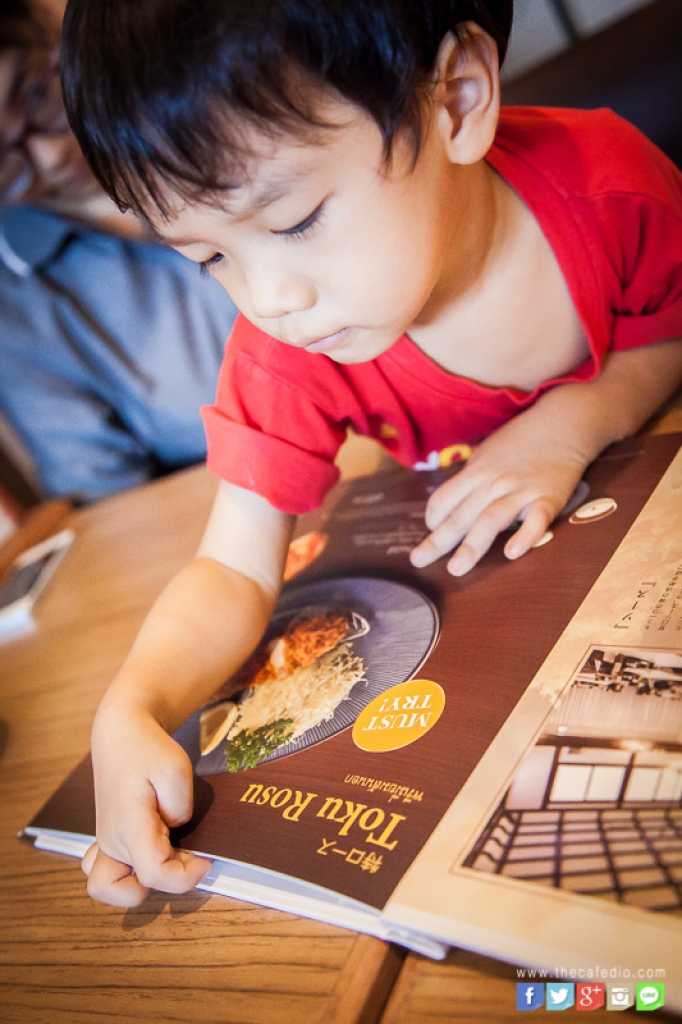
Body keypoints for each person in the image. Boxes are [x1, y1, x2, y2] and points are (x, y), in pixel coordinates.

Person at [59, 0, 682, 905]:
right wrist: (134, 705)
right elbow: (232, 566)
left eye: (295, 220)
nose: (267, 299)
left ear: (457, 99)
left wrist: (577, 418)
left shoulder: (610, 185)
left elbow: (672, 317)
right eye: (208, 257)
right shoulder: (287, 353)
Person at [0, 0, 238, 502]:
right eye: (2, 159)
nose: (51, 154)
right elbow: (106, 501)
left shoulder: (217, 82)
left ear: (53, 26)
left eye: (38, 95)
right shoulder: (17, 307)